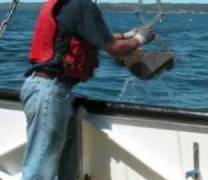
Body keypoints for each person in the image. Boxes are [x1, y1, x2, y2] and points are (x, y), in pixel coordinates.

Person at [19, 0, 156, 179]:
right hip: (49, 91)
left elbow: (92, 36)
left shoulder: (69, 5)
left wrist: (127, 35)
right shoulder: (82, 6)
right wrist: (140, 38)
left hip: (48, 89)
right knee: (40, 169)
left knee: (61, 165)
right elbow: (116, 49)